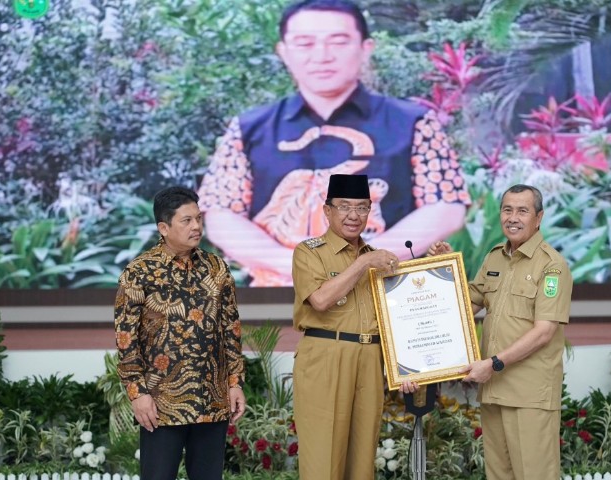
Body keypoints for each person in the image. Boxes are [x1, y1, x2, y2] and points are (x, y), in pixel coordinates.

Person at [197, 0, 471, 286]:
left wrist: (364, 261)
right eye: (305, 43)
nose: (322, 56)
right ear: (283, 52)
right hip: (282, 293)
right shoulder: (248, 128)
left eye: (338, 42)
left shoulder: (415, 123)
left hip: (389, 293)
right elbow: (221, 215)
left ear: (366, 48)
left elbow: (446, 208)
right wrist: (295, 265)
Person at [429, 184, 572, 480]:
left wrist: (493, 364)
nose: (513, 218)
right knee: (498, 475)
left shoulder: (552, 266)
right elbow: (465, 306)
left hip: (528, 394)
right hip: (494, 391)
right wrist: (444, 267)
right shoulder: (495, 257)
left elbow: (544, 332)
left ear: (539, 217)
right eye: (507, 210)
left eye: (522, 211)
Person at [114, 186, 246, 480]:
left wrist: (235, 382)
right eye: (186, 220)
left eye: (198, 218)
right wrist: (137, 394)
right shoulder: (139, 272)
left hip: (212, 401)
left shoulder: (217, 268)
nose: (196, 226)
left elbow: (231, 329)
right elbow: (126, 340)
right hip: (161, 404)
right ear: (164, 228)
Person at [292, 174, 417, 480]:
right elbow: (320, 300)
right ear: (327, 210)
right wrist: (362, 264)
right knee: (323, 460)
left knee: (362, 462)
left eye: (361, 208)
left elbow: (399, 316)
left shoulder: (376, 258)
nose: (354, 215)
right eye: (345, 207)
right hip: (326, 356)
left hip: (370, 360)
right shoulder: (309, 251)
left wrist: (408, 367)